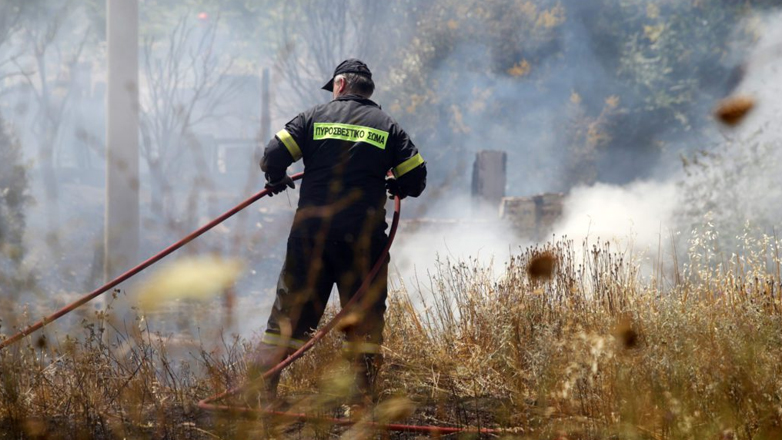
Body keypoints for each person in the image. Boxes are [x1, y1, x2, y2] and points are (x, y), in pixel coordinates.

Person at [249, 59, 427, 406]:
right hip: (364, 242)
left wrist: (276, 179)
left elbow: (272, 155)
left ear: (341, 84)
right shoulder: (388, 127)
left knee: (289, 317)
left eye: (333, 86)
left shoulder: (312, 118)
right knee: (364, 321)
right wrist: (395, 184)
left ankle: (260, 396)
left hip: (310, 238)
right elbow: (416, 178)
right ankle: (359, 403)